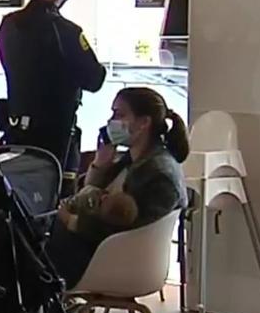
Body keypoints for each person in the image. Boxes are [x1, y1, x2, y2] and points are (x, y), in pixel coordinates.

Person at [47, 87, 189, 288]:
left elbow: (122, 227)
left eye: (119, 114)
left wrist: (71, 221)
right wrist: (99, 165)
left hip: (117, 260)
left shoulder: (159, 174)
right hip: (95, 248)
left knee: (30, 248)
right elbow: (88, 193)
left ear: (144, 123)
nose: (111, 121)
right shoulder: (132, 160)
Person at [0, 0, 105, 193]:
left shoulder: (9, 25)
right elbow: (95, 79)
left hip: (16, 129)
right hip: (56, 134)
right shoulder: (66, 31)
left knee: (21, 195)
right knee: (55, 196)